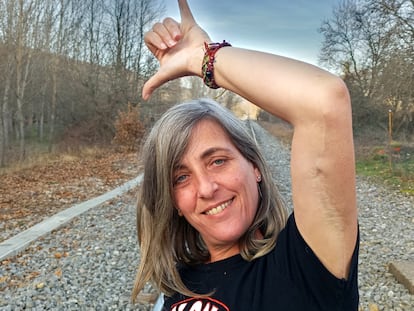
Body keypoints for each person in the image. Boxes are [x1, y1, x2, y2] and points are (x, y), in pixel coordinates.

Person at [132, 0, 359, 310]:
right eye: (181, 177)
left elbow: (324, 102)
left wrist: (203, 58)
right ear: (175, 204)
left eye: (218, 161)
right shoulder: (176, 287)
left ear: (255, 167)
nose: (206, 188)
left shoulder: (305, 266)